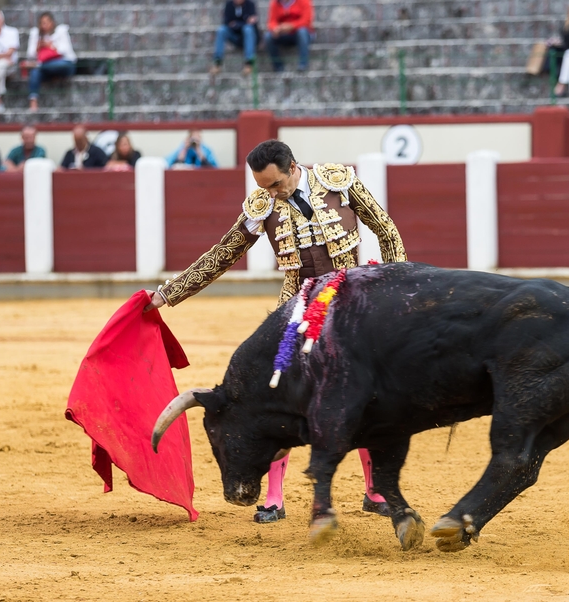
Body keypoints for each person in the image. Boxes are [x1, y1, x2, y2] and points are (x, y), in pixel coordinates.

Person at [145, 140, 408, 523]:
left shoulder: (339, 182)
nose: (270, 193)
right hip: (296, 307)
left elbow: (386, 230)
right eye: (263, 187)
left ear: (292, 168)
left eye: (275, 185)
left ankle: (375, 489)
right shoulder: (261, 205)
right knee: (280, 396)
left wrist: (394, 284)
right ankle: (273, 497)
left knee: (367, 394)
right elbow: (224, 253)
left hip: (353, 300)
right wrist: (168, 294)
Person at [26, 12, 76, 112]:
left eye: (45, 22)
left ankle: (40, 66)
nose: (43, 25)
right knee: (35, 72)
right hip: (45, 68)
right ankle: (33, 100)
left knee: (45, 66)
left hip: (64, 64)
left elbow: (65, 50)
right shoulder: (36, 35)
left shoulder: (61, 31)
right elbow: (30, 54)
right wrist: (38, 47)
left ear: (52, 23)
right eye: (41, 23)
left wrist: (51, 46)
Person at [211, 0, 257, 76]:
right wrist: (244, 22)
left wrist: (236, 24)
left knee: (248, 29)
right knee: (221, 30)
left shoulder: (250, 4)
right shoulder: (229, 5)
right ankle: (217, 62)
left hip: (247, 37)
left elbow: (253, 23)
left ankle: (249, 63)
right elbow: (226, 22)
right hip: (234, 36)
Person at [266, 0, 313, 72]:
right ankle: (278, 67)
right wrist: (275, 28)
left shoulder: (304, 1)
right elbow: (272, 21)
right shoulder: (275, 3)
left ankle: (303, 64)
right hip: (283, 33)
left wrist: (292, 26)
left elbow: (306, 20)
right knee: (268, 37)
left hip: (299, 33)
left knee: (302, 32)